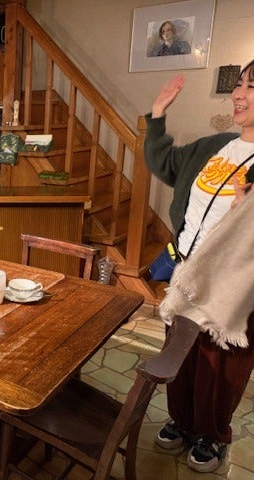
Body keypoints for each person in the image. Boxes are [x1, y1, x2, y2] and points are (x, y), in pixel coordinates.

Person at [143, 60, 254, 473]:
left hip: (231, 285)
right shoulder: (217, 146)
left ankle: (213, 432)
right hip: (186, 272)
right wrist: (158, 115)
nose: (238, 94)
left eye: (252, 87)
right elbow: (166, 164)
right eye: (239, 84)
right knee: (181, 353)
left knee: (219, 364)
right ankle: (183, 420)